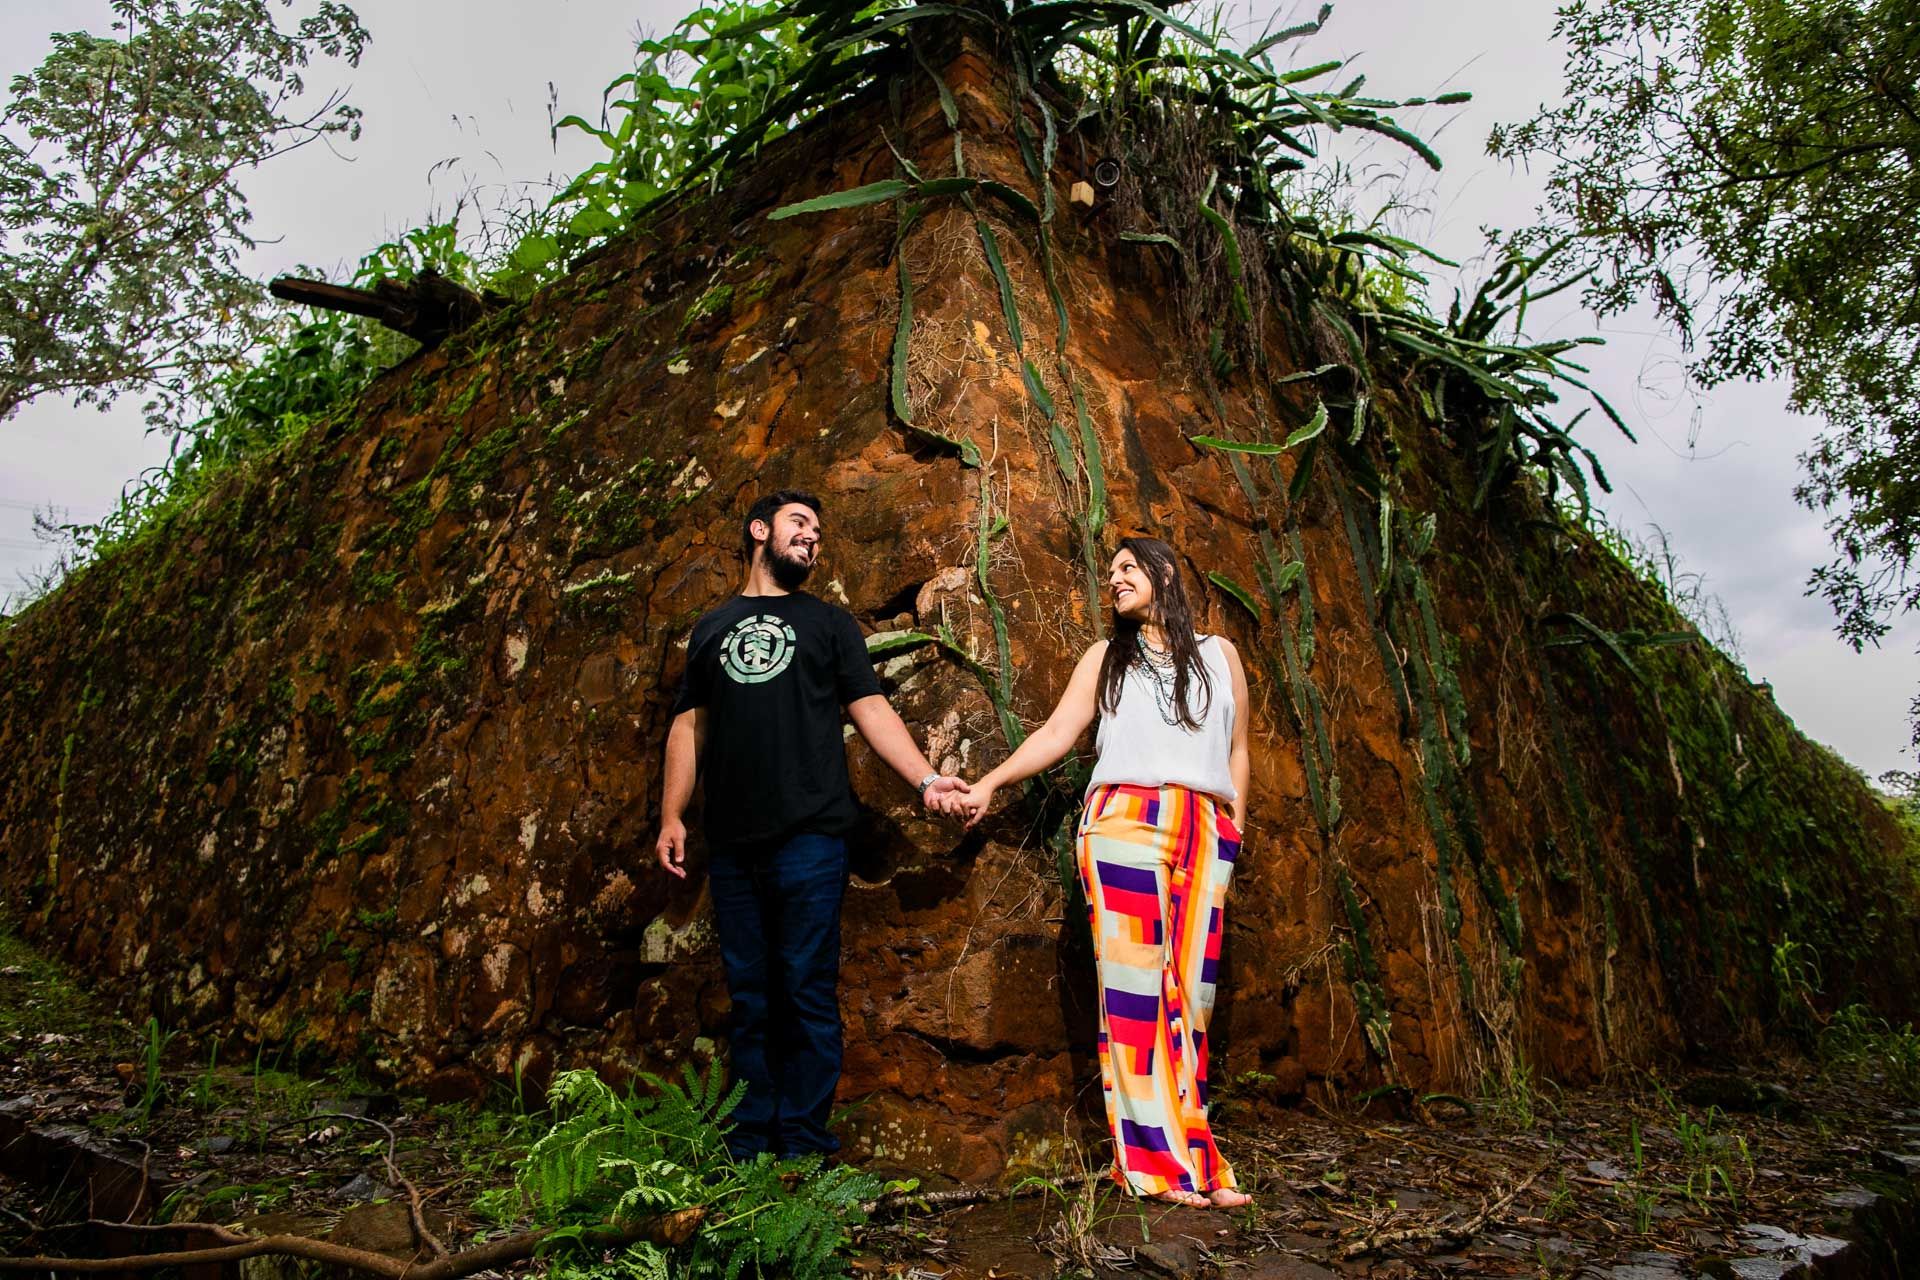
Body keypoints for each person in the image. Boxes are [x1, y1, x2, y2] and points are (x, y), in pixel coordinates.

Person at [655, 489, 968, 1161]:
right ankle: (749, 1148)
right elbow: (690, 724)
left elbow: (872, 709)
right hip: (734, 844)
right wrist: (671, 815)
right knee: (751, 997)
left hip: (811, 837)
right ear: (759, 530)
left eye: (819, 531)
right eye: (801, 524)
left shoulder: (829, 625)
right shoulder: (712, 629)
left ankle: (799, 1147)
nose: (813, 537)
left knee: (805, 992)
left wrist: (925, 779)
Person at [946, 536, 1253, 1208]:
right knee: (1139, 996)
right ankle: (1152, 1168)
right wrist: (990, 782)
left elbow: (1237, 751)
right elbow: (1058, 734)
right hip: (1123, 824)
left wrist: (1234, 831)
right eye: (1109, 572)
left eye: (1126, 568)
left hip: (1203, 829)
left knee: (1191, 1003)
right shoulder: (1104, 659)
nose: (1113, 579)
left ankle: (1197, 1161)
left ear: (1166, 572)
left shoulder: (1221, 656)